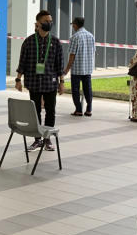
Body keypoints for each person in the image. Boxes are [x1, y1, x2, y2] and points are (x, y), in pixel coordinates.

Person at [15, 10, 64, 151]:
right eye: (47, 21)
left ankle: (47, 139)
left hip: (50, 82)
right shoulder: (29, 41)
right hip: (34, 83)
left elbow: (59, 64)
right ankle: (37, 140)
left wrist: (62, 83)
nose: (50, 23)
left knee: (50, 111)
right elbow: (22, 62)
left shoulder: (55, 42)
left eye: (51, 20)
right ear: (38, 23)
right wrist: (18, 79)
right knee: (35, 112)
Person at [63, 16, 95, 117]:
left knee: (75, 90)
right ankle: (89, 109)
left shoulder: (74, 37)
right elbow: (93, 52)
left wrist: (67, 69)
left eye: (73, 24)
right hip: (87, 68)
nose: (72, 26)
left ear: (75, 25)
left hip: (77, 69)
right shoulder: (91, 36)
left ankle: (78, 110)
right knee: (88, 89)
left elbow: (72, 55)